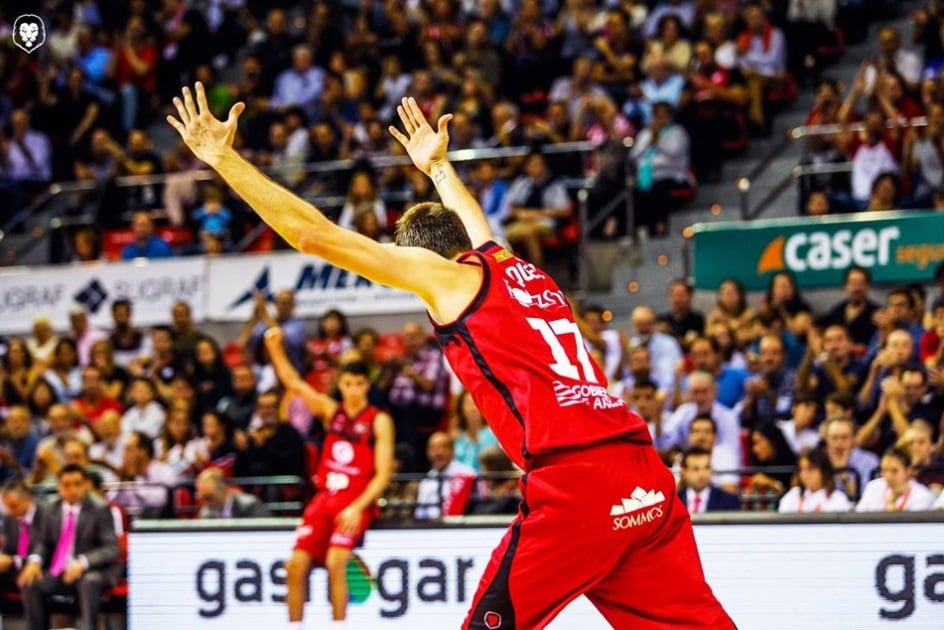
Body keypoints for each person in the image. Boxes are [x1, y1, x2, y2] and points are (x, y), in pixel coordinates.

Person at [167, 83, 734, 629]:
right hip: (643, 476)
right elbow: (475, 225)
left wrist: (223, 159)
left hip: (576, 484)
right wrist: (439, 168)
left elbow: (312, 235)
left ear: (424, 260)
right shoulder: (515, 267)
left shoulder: (447, 278)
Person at [263, 327, 393, 628]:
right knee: (294, 567)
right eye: (348, 384)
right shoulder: (331, 410)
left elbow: (383, 473)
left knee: (337, 563)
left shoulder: (379, 420)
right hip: (324, 498)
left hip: (354, 500)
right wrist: (274, 348)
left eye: (359, 384)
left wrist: (358, 506)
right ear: (341, 384)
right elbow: (293, 382)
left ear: (366, 385)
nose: (353, 390)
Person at [18, 464, 122, 630]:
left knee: (89, 581)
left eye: (77, 484)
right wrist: (35, 560)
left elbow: (111, 548)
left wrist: (82, 562)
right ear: (59, 486)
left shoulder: (100, 509)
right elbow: (43, 542)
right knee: (30, 582)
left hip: (93, 570)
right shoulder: (50, 509)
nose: (72, 489)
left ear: (86, 484)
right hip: (60, 570)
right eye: (67, 485)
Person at [855, 448, 936, 512]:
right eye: (884, 470)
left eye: (894, 471)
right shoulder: (873, 487)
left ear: (908, 471)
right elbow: (859, 517)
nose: (888, 476)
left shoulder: (922, 495)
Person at [777, 449, 852, 513]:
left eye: (810, 469)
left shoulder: (838, 499)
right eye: (801, 469)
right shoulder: (793, 495)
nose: (804, 474)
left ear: (824, 471)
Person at [677, 447, 741, 514]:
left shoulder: (729, 500)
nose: (702, 474)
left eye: (707, 468)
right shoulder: (672, 502)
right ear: (684, 473)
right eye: (696, 469)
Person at [195, 467, 270, 519]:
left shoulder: (251, 506)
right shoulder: (206, 514)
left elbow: (266, 535)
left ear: (224, 490)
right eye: (202, 498)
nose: (206, 503)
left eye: (209, 498)